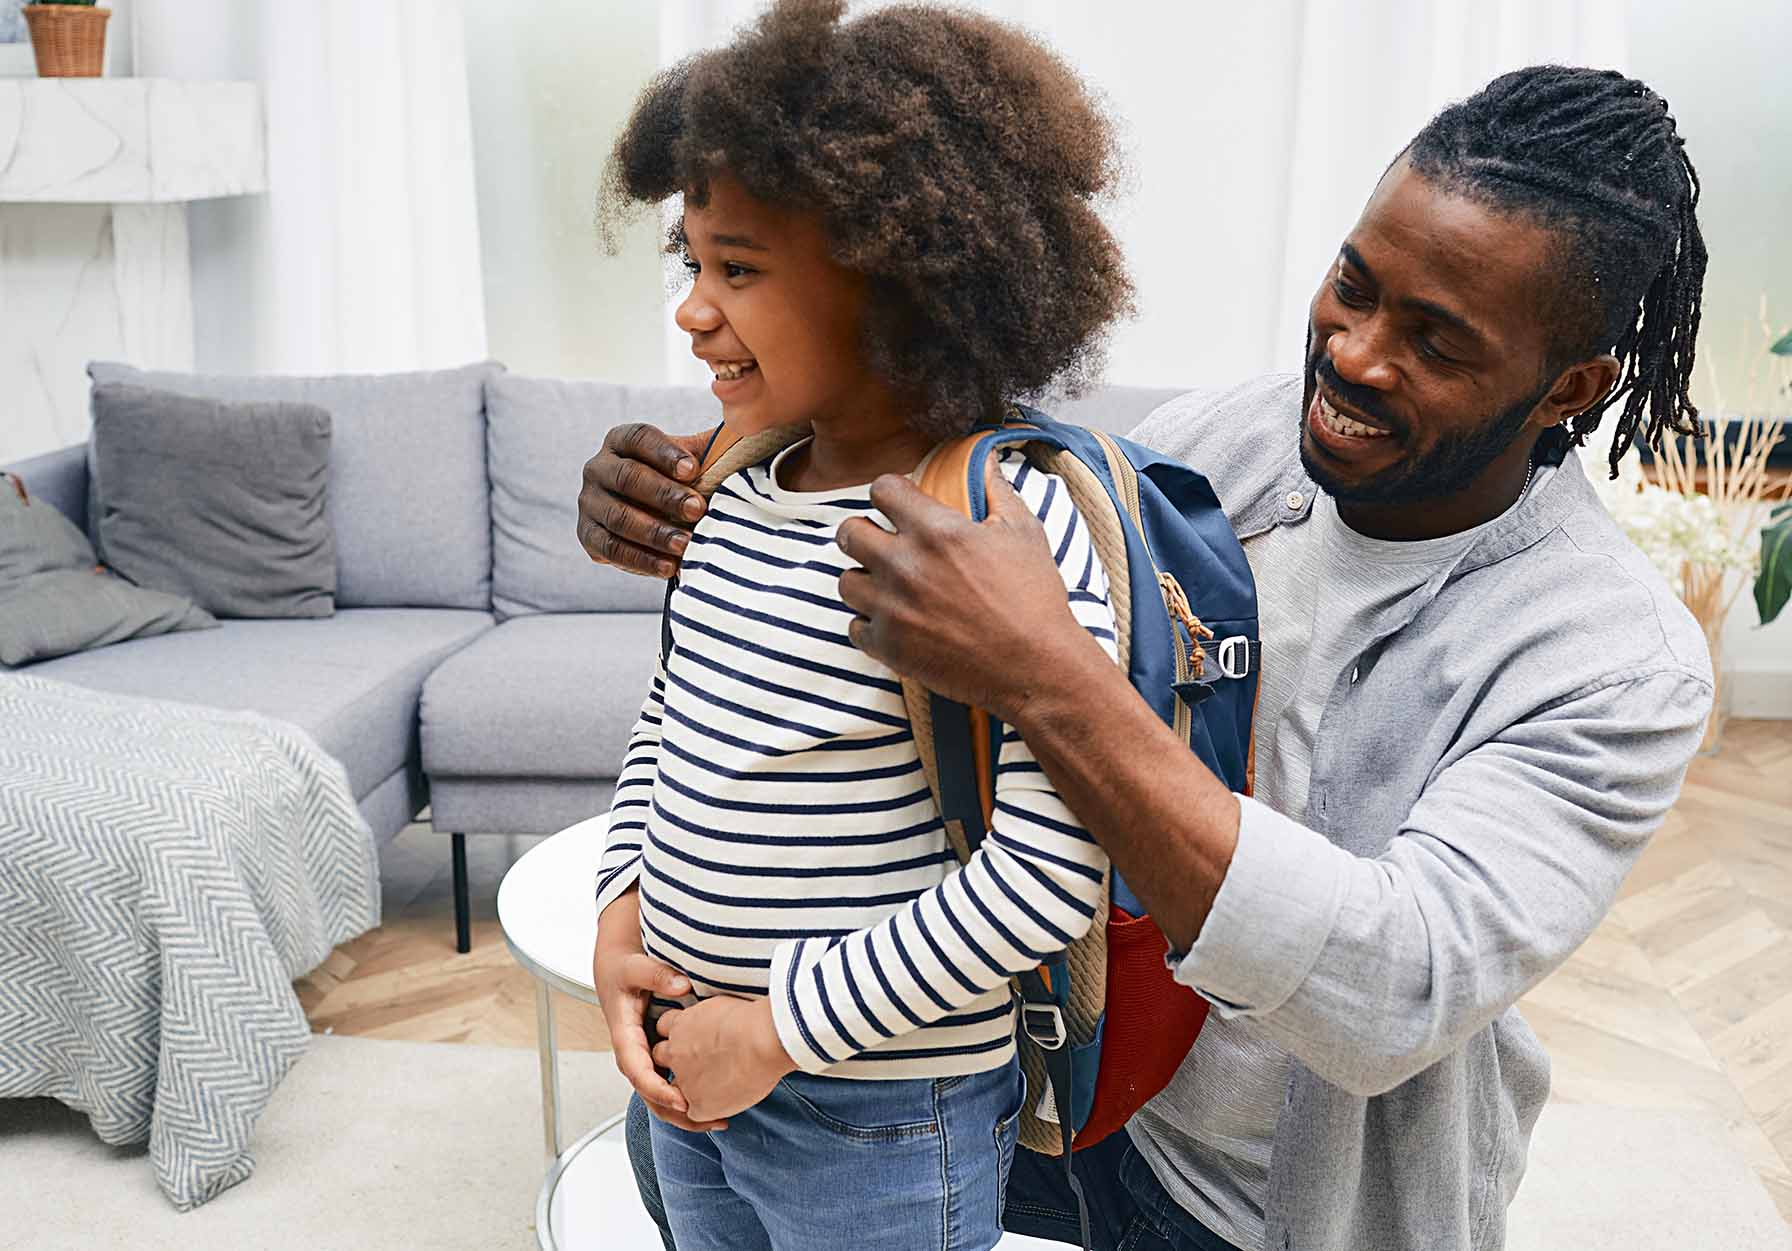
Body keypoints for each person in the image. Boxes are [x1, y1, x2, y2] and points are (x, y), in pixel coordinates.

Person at [581, 61, 1717, 1251]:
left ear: (1571, 387)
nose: (1356, 357)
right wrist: (702, 472)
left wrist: (1049, 677)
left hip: (1263, 1203)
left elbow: (1389, 991)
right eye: (1353, 285)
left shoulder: (1613, 663)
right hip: (1060, 1114)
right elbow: (928, 461)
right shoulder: (1209, 449)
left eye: (1436, 342)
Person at [587, 3, 1132, 1248]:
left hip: (883, 1116)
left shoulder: (1003, 528)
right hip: (685, 1080)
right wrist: (623, 917)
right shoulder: (731, 487)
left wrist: (774, 1029)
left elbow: (1050, 880)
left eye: (739, 269)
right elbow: (673, 725)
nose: (691, 310)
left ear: (898, 280)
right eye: (691, 264)